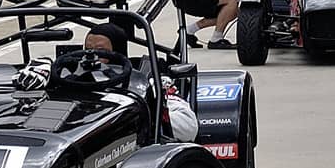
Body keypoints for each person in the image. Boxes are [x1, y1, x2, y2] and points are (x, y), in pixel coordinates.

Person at [10, 23, 198, 140]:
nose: (90, 57)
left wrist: (151, 108)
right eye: (87, 50)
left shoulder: (150, 79)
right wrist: (44, 74)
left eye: (100, 51)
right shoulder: (68, 76)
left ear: (117, 52)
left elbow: (188, 127)